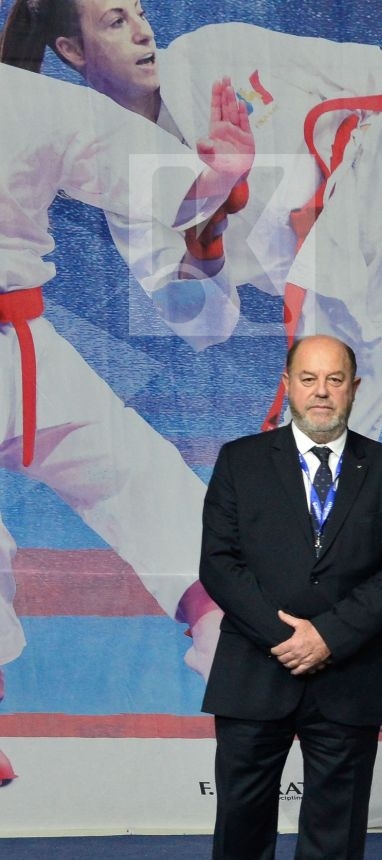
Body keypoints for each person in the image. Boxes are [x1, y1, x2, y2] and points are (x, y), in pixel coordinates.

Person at [1, 0, 382, 439]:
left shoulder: (212, 53)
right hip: (360, 299)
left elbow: (357, 67)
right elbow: (205, 325)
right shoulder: (121, 185)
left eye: (139, 12)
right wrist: (208, 228)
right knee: (324, 463)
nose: (142, 32)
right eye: (115, 22)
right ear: (72, 51)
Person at [0, 65, 250, 784]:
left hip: (24, 338)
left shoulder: (33, 101)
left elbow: (165, 188)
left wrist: (215, 178)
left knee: (141, 472)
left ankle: (226, 633)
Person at [194, 334, 382, 860]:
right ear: (287, 385)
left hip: (346, 677)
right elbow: (219, 564)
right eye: (308, 378)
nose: (322, 391)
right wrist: (284, 636)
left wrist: (329, 636)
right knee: (241, 828)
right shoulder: (239, 463)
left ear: (355, 387)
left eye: (335, 379)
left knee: (334, 832)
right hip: (253, 674)